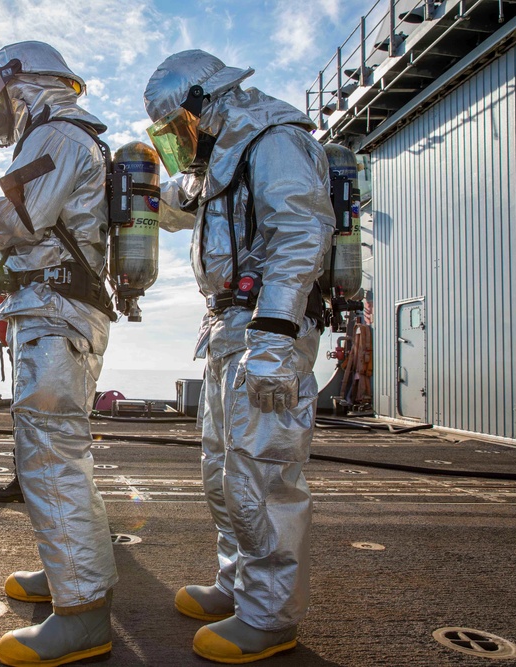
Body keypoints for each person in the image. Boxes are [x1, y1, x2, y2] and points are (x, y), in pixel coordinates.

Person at [142, 50, 334, 663]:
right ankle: (239, 584)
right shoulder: (224, 154)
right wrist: (124, 185)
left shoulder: (274, 142)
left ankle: (270, 615)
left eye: (179, 127)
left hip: (267, 328)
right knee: (225, 471)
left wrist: (275, 338)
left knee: (264, 473)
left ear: (208, 102)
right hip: (228, 328)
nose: (180, 142)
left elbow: (301, 235)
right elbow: (175, 201)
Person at [0, 41, 116, 666]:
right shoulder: (64, 138)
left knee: (51, 459)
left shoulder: (58, 136)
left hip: (56, 315)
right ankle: (68, 576)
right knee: (52, 455)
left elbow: (15, 217)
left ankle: (81, 614)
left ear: (19, 84)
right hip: (52, 313)